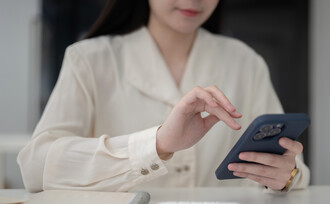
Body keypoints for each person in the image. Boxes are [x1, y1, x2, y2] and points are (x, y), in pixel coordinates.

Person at [18, 0, 310, 193]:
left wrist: (287, 177)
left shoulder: (246, 62)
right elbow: (34, 167)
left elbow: (294, 171)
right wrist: (156, 145)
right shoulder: (89, 59)